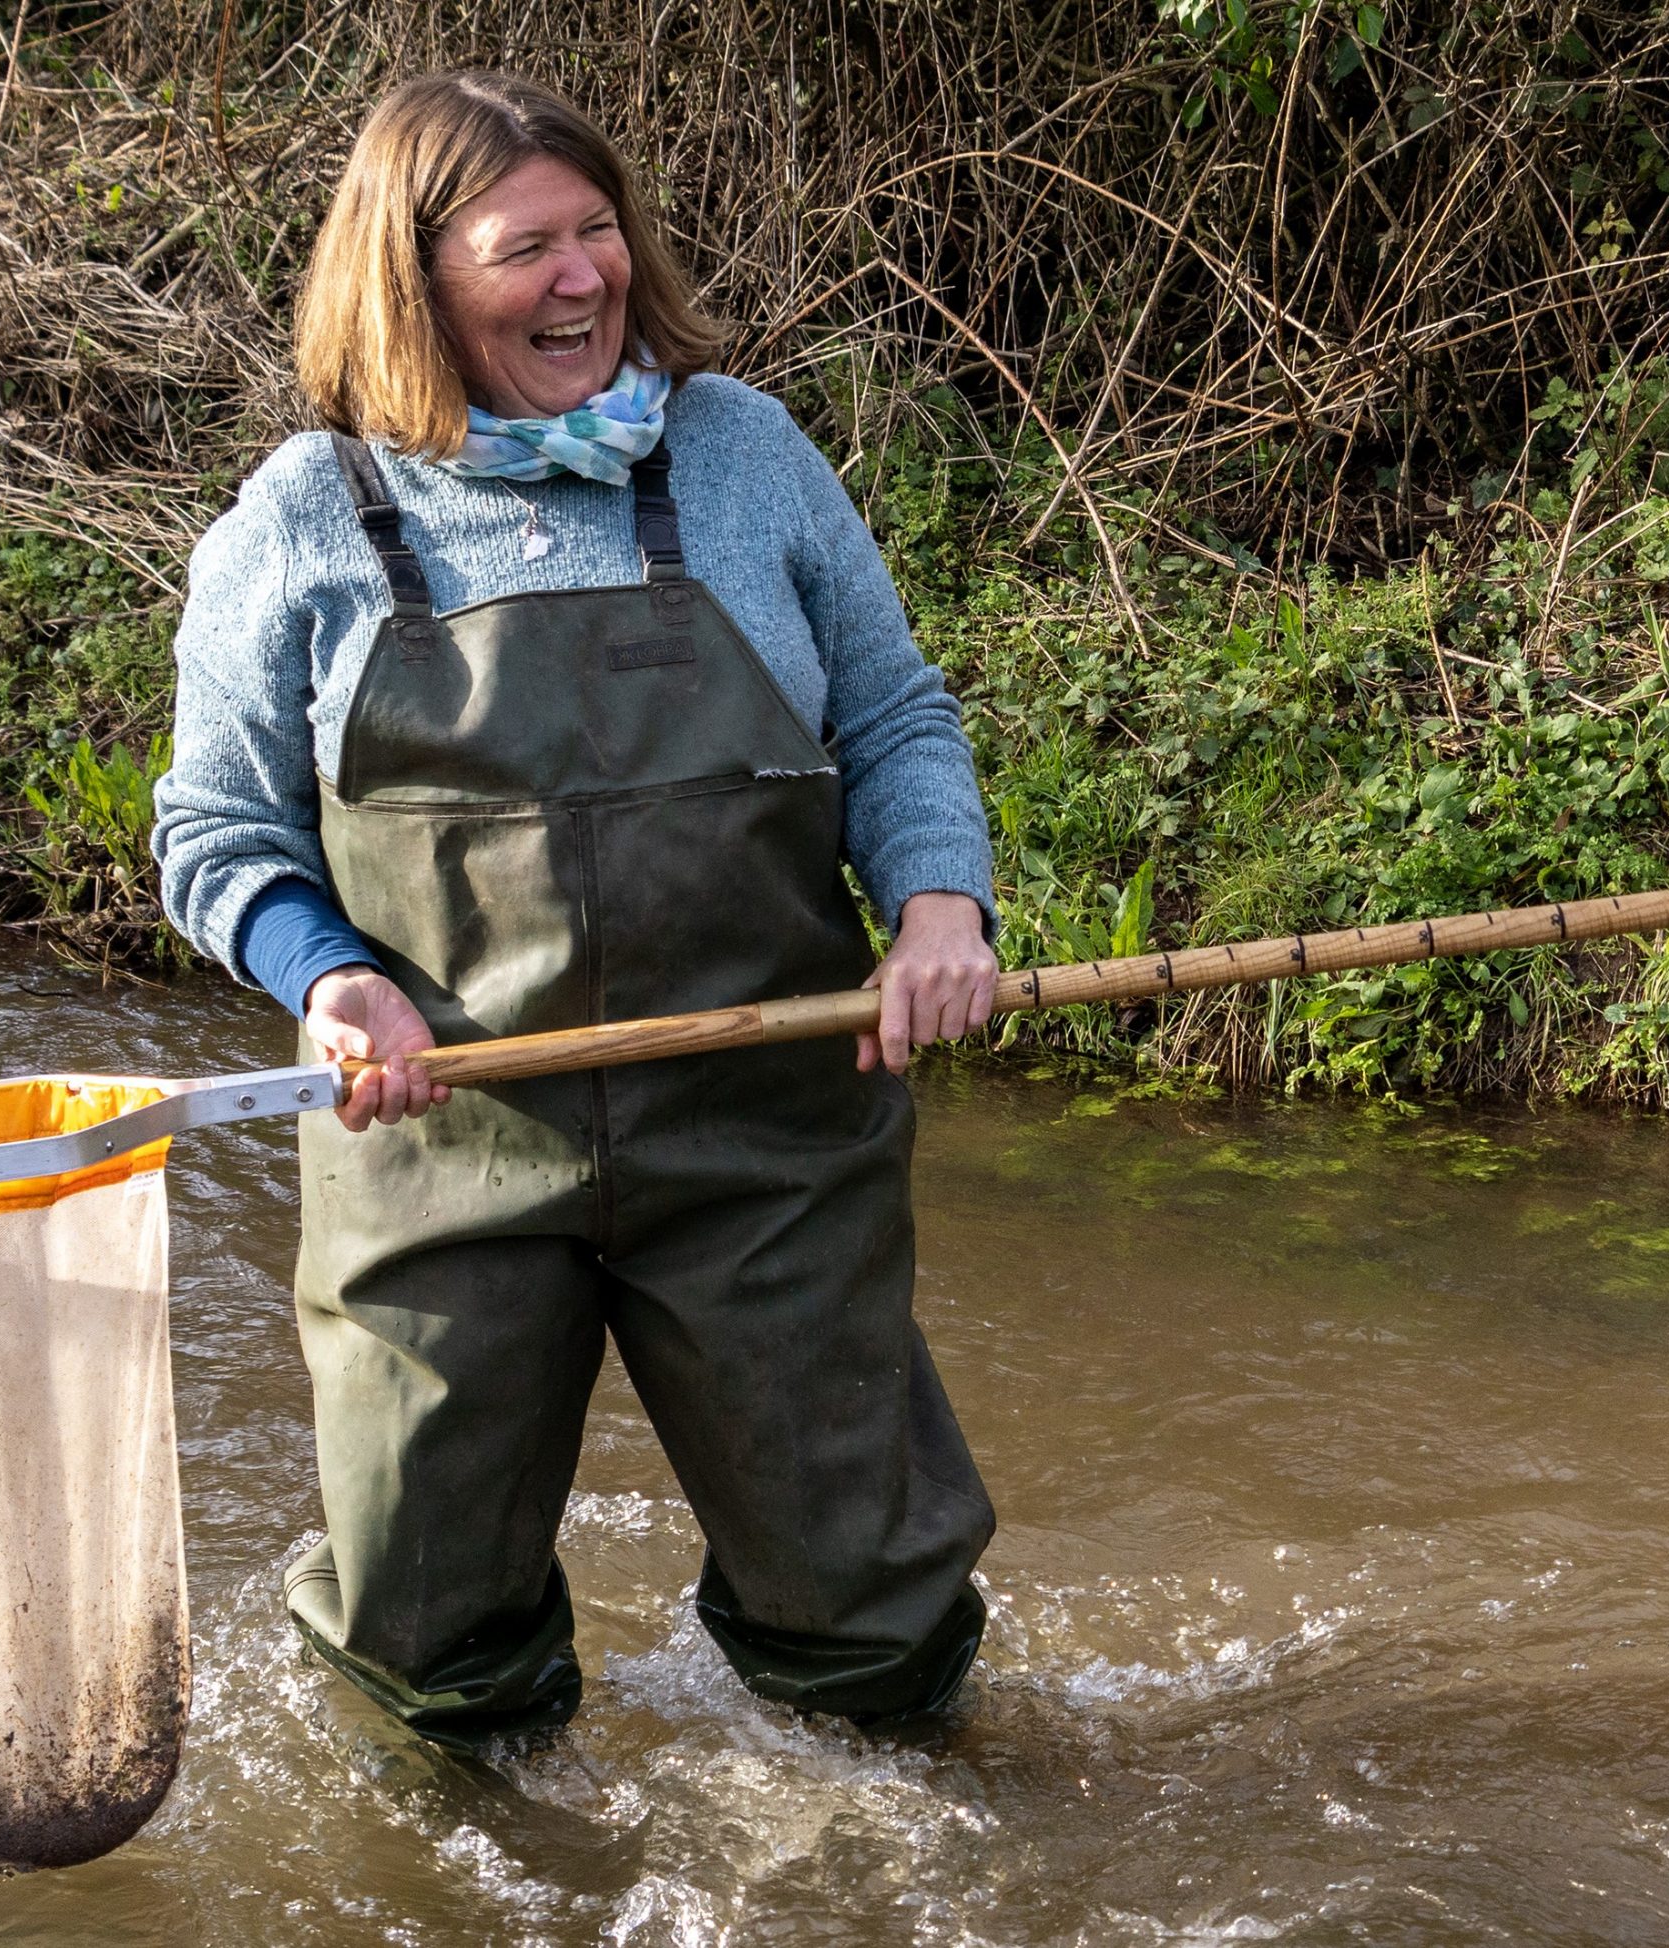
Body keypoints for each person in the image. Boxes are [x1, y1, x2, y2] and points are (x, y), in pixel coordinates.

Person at [151, 70, 1001, 1745]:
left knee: (868, 1599)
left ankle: (906, 1828)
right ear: (414, 280)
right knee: (421, 1624)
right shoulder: (303, 520)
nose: (582, 277)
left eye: (596, 231)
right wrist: (326, 978)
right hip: (441, 1152)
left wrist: (938, 905)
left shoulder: (744, 454)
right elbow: (217, 831)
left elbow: (895, 715)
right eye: (522, 246)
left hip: (768, 1138)